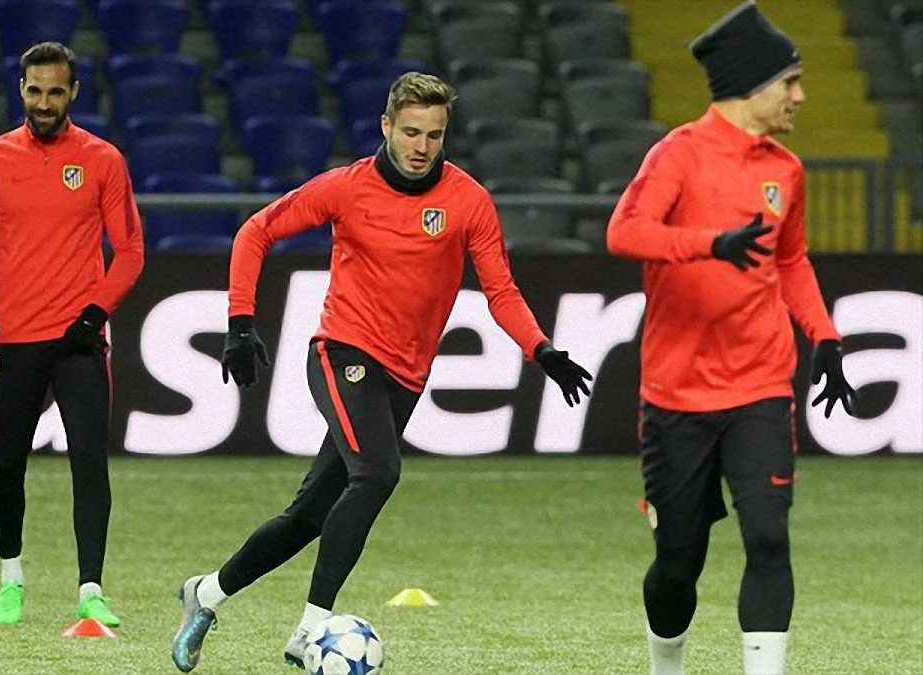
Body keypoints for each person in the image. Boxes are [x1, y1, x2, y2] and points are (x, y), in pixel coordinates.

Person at [170, 72, 594, 672]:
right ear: (387, 126)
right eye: (412, 132)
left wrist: (541, 349)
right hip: (343, 352)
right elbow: (255, 231)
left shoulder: (468, 200)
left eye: (435, 135)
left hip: (406, 377)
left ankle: (207, 593)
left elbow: (500, 289)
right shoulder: (346, 188)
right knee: (376, 474)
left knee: (309, 517)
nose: (422, 146)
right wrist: (240, 322)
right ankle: (310, 631)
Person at [604, 3, 858, 674]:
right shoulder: (678, 154)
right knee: (678, 560)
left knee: (769, 538)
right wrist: (709, 244)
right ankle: (667, 665)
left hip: (761, 386)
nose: (800, 96)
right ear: (753, 84)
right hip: (677, 394)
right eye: (790, 82)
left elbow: (790, 260)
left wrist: (825, 335)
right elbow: (624, 232)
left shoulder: (787, 169)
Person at [0, 41, 144, 627]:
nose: (43, 102)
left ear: (73, 93)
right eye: (34, 91)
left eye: (55, 92)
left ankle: (91, 590)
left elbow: (130, 251)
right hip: (12, 338)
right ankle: (10, 579)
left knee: (89, 463)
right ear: (21, 90)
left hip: (78, 343)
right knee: (6, 467)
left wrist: (95, 314)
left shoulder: (103, 160)